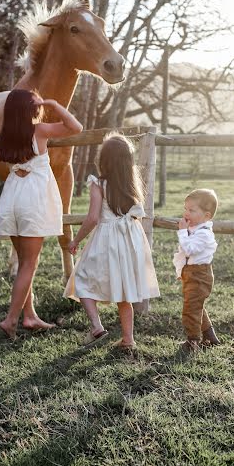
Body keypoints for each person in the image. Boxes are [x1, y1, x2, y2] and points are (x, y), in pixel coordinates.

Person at [0, 89, 83, 340]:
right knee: (29, 264)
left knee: (25, 262)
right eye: (37, 104)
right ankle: (10, 320)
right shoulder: (40, 131)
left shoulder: (2, 137)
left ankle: (29, 316)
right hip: (32, 200)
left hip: (11, 198)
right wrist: (55, 103)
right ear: (31, 109)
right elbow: (75, 127)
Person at [64, 133, 160, 349]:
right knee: (124, 290)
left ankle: (97, 326)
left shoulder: (98, 183)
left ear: (103, 159)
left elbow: (92, 218)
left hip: (107, 238)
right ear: (128, 160)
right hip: (130, 238)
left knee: (81, 278)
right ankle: (128, 340)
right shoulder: (132, 183)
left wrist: (76, 239)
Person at [173, 188, 220, 352]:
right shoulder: (195, 229)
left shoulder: (204, 234)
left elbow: (189, 249)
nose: (186, 213)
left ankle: (193, 341)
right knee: (196, 306)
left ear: (206, 216)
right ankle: (210, 336)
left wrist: (181, 232)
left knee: (190, 309)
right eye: (185, 209)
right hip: (192, 274)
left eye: (191, 210)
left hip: (200, 275)